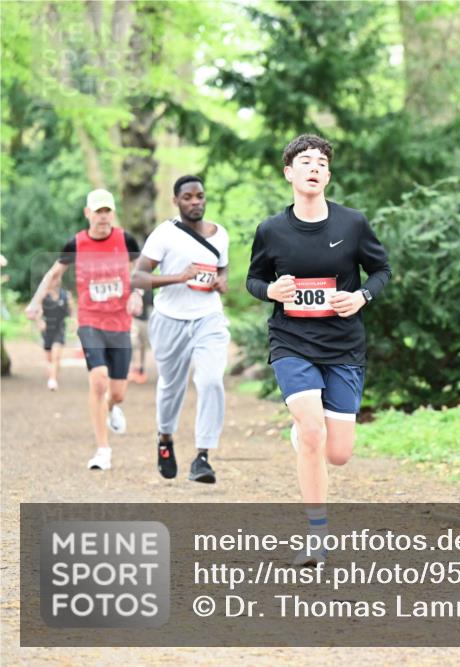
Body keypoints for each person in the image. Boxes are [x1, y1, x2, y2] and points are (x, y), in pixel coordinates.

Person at [246, 135, 391, 565]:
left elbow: (381, 269)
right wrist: (271, 289)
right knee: (312, 431)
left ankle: (308, 432)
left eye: (321, 162)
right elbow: (253, 281)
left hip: (343, 344)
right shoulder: (271, 230)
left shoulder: (352, 224)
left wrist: (362, 296)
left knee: (338, 453)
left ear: (328, 175)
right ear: (289, 172)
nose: (314, 167)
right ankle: (316, 535)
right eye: (305, 161)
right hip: (291, 341)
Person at [26, 189, 143, 470]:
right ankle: (103, 450)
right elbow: (53, 274)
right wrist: (35, 302)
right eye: (98, 211)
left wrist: (136, 292)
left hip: (120, 324)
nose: (103, 217)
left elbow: (138, 269)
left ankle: (113, 408)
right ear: (87, 213)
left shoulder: (125, 239)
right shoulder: (76, 244)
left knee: (118, 393)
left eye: (107, 211)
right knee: (98, 381)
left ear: (112, 213)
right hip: (91, 321)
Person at [132, 175, 230, 484]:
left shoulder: (219, 234)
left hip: (208, 317)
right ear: (176, 201)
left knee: (212, 381)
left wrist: (222, 280)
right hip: (170, 318)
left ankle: (203, 457)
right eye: (187, 197)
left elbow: (222, 266)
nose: (195, 202)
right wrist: (177, 277)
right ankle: (165, 438)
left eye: (199, 196)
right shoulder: (164, 234)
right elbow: (138, 277)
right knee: (171, 387)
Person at [37, 282, 73, 390]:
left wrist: (72, 321)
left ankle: (52, 380)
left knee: (56, 355)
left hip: (59, 329)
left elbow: (71, 312)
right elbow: (38, 310)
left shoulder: (65, 295)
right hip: (47, 330)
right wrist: (39, 321)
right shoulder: (43, 295)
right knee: (49, 358)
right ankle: (53, 376)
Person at [127, 288, 154, 384]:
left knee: (143, 346)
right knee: (135, 343)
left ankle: (141, 370)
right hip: (133, 319)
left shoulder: (149, 289)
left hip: (145, 321)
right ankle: (135, 367)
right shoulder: (132, 286)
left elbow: (152, 304)